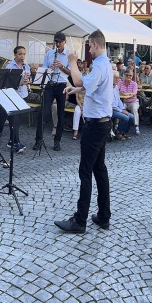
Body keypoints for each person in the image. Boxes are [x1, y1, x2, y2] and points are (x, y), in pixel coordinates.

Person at [54, 30, 112, 233]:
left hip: (95, 125)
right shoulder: (105, 64)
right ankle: (104, 216)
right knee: (100, 170)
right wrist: (76, 90)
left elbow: (79, 80)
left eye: (89, 46)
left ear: (95, 45)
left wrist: (72, 61)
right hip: (103, 122)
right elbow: (89, 86)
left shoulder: (99, 65)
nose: (89, 50)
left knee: (85, 171)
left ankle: (80, 221)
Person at [36, 32, 70, 152]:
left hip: (61, 85)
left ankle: (57, 141)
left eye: (60, 42)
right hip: (50, 84)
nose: (58, 44)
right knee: (43, 112)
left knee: (60, 114)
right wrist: (48, 69)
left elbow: (71, 72)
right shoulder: (50, 53)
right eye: (56, 42)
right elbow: (44, 69)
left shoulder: (69, 55)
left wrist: (61, 67)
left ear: (65, 42)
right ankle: (38, 140)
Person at [5, 46, 31, 153]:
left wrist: (28, 80)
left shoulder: (26, 66)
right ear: (15, 54)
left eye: (24, 54)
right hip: (13, 95)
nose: (22, 56)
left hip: (23, 94)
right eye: (20, 54)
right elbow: (7, 83)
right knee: (14, 121)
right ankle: (16, 143)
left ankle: (11, 141)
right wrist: (20, 83)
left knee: (18, 121)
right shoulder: (10, 67)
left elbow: (28, 79)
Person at [110, 72, 134, 140]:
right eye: (116, 78)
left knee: (132, 117)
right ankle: (118, 132)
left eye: (118, 78)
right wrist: (121, 111)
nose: (117, 79)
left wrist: (123, 109)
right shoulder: (108, 88)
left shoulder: (116, 87)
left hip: (117, 109)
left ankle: (123, 132)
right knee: (125, 117)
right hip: (111, 110)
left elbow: (119, 100)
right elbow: (112, 104)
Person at [117, 69, 140, 135]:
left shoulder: (134, 84)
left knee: (134, 109)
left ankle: (136, 126)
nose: (128, 77)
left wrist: (125, 94)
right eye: (127, 75)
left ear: (132, 76)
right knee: (119, 109)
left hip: (133, 101)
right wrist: (121, 93)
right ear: (124, 75)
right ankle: (117, 124)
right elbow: (117, 90)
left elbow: (134, 93)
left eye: (130, 75)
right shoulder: (120, 83)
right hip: (123, 101)